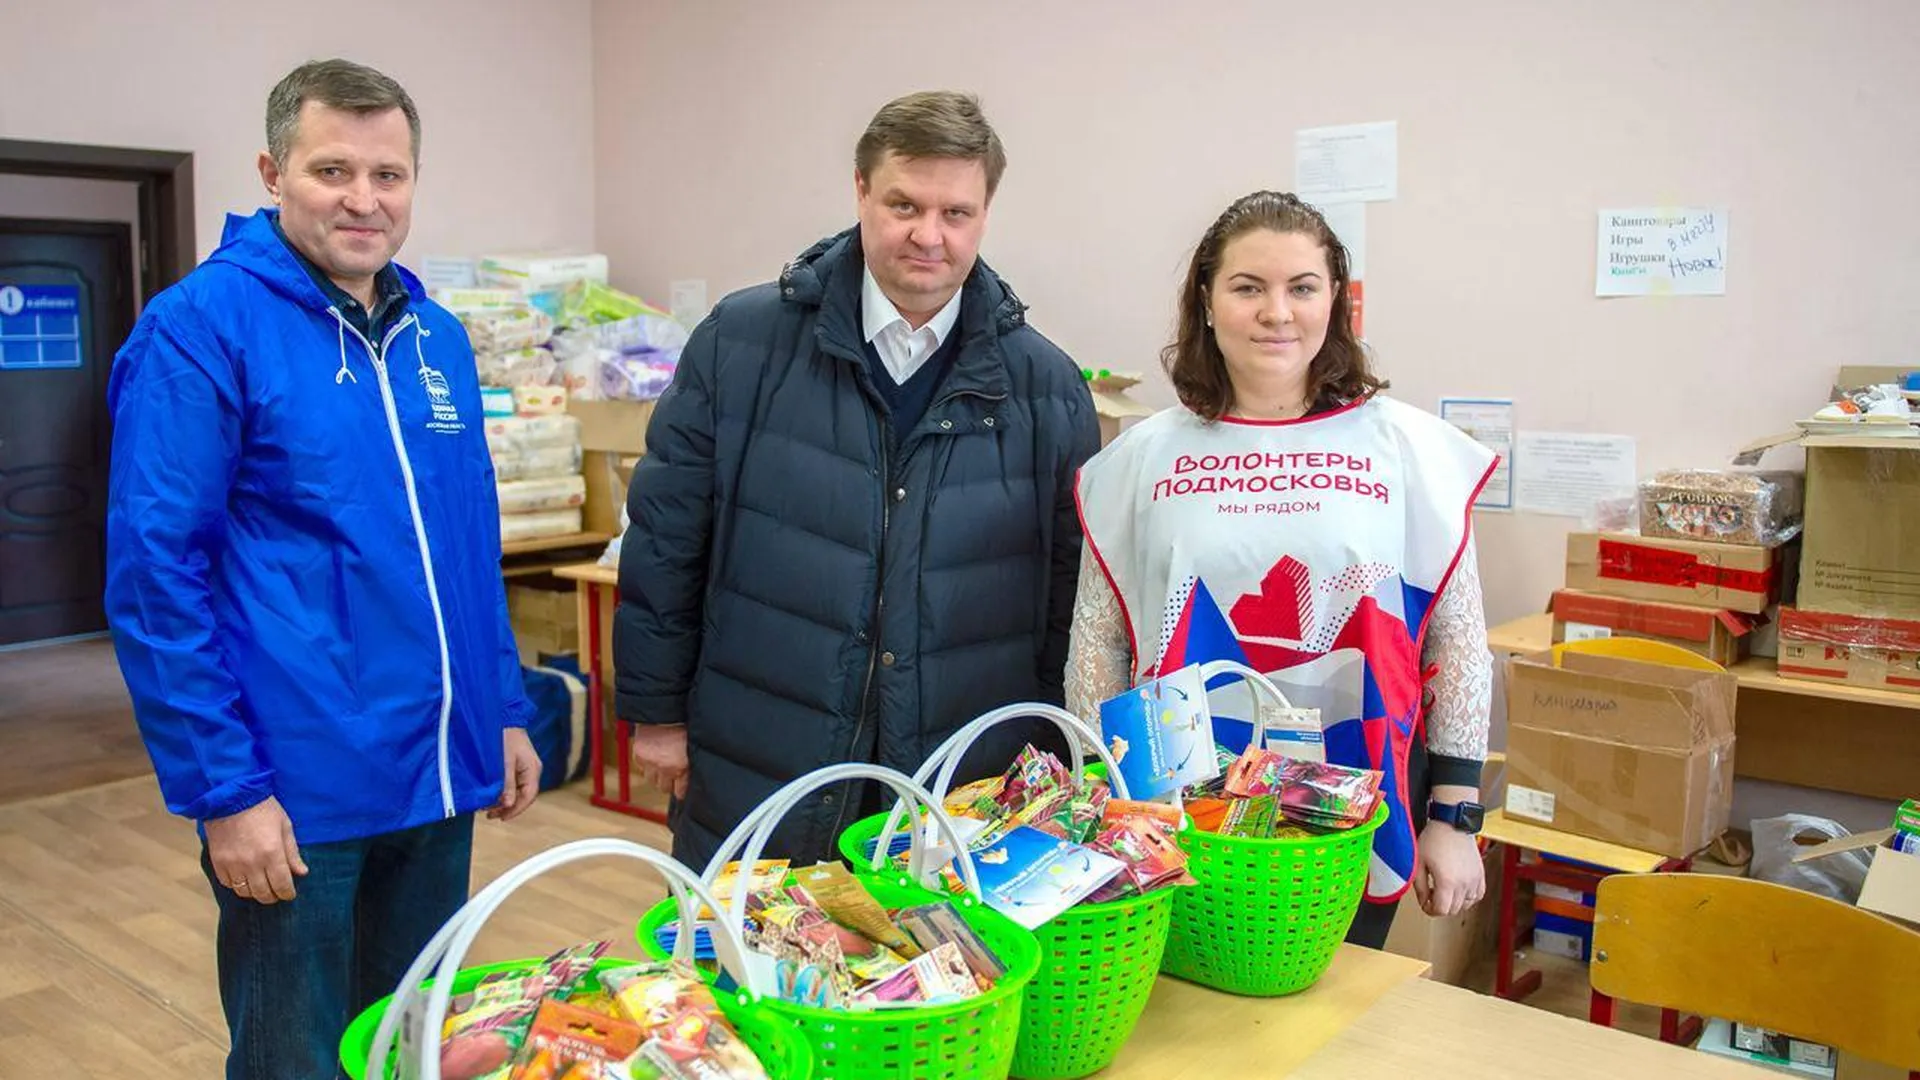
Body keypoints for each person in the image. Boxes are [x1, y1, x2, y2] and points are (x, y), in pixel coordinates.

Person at [104, 59, 542, 1078]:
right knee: (296, 1058)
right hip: (296, 791)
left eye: (388, 175)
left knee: (409, 1045)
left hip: (436, 773)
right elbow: (155, 577)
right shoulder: (199, 329)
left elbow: (466, 548)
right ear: (272, 171)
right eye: (331, 170)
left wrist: (505, 707)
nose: (363, 199)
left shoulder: (436, 339)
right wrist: (224, 792)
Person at [616, 91, 1101, 871]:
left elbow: (1063, 595)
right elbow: (667, 540)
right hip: (763, 759)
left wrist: (1054, 750)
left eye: (956, 213)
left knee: (941, 982)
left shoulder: (1045, 385)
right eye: (904, 204)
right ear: (860, 191)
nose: (928, 236)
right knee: (745, 980)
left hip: (957, 778)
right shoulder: (740, 346)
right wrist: (656, 713)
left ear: (986, 214)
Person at [1068, 190, 1494, 946]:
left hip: (1358, 811)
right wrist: (1099, 798)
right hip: (1179, 813)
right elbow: (1098, 642)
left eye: (1301, 287)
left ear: (1336, 299)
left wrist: (1454, 815)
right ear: (1205, 299)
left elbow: (1457, 642)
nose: (1277, 312)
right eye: (1247, 287)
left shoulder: (1408, 450)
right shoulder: (1139, 459)